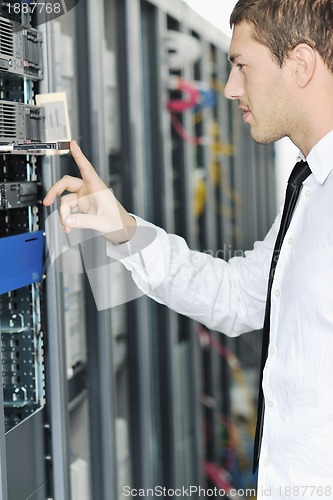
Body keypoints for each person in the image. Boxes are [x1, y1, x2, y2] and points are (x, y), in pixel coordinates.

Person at [43, 0, 333, 498]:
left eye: (242, 65)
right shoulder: (309, 191)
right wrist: (125, 230)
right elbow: (240, 294)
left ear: (301, 64)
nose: (230, 88)